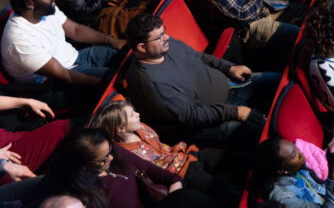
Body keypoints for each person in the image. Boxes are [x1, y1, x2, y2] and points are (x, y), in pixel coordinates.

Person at [121, 14, 275, 147]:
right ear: (141, 48)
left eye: (164, 32)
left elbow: (199, 56)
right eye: (160, 37)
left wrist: (228, 68)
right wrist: (236, 112)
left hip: (230, 87)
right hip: (207, 123)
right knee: (264, 130)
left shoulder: (164, 46)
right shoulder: (150, 83)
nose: (166, 37)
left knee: (276, 83)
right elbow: (192, 116)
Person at [90, 99, 242, 203]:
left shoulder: (140, 127)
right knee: (225, 191)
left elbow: (162, 146)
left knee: (230, 158)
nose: (138, 114)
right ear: (121, 129)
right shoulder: (124, 154)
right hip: (181, 173)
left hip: (185, 155)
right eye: (132, 115)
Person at [1, 0, 122, 100]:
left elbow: (75, 30)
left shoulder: (44, 9)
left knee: (123, 57)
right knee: (119, 78)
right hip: (54, 84)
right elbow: (65, 75)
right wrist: (108, 84)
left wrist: (111, 40)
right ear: (30, 3)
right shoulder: (20, 39)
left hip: (74, 58)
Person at [31, 128, 218, 208]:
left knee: (187, 197)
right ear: (84, 167)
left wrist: (173, 195)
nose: (111, 158)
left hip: (166, 202)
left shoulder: (117, 154)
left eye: (110, 150)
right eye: (103, 159)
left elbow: (165, 175)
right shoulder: (82, 196)